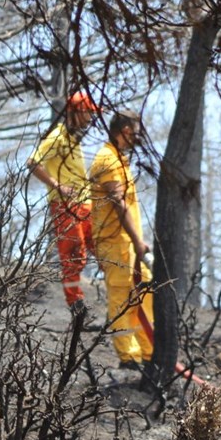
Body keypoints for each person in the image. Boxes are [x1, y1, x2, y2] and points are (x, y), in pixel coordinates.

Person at [27, 90, 101, 326]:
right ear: (76, 112)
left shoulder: (73, 140)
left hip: (86, 205)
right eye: (87, 113)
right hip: (66, 206)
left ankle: (119, 304)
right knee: (73, 255)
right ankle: (76, 308)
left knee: (99, 249)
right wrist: (57, 186)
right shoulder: (57, 136)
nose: (90, 119)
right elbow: (33, 162)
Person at [89, 109, 153, 369]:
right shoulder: (107, 159)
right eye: (136, 131)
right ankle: (128, 356)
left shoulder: (119, 159)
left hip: (127, 244)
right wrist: (138, 241)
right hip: (115, 243)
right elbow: (117, 202)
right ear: (125, 130)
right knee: (122, 296)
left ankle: (148, 351)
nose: (139, 137)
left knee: (144, 291)